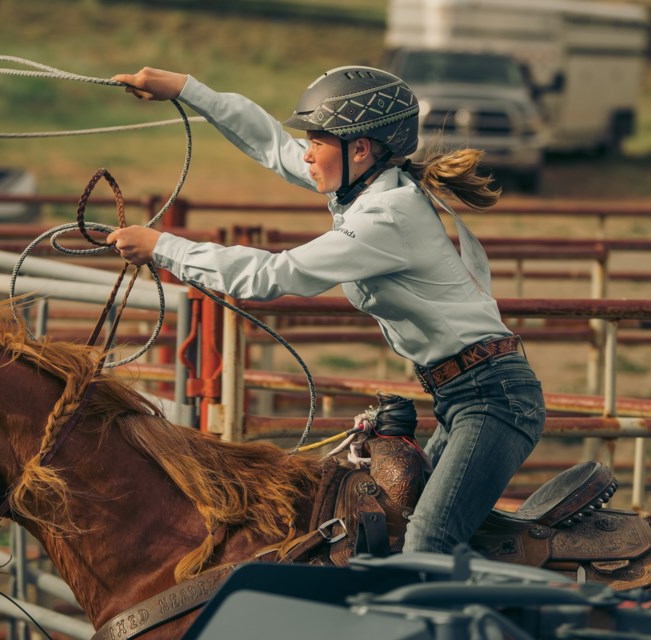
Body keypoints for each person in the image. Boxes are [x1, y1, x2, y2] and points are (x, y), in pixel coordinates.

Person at [106, 66, 546, 554]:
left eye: (317, 141)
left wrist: (164, 246)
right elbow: (271, 144)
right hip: (467, 394)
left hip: (491, 399)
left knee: (428, 539)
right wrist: (187, 89)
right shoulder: (366, 186)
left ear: (360, 148)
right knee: (410, 532)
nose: (307, 153)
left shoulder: (386, 217)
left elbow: (273, 275)